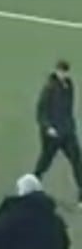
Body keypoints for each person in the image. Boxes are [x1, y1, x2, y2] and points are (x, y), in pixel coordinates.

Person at [34, 59, 82, 203]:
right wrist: (48, 127)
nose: (63, 74)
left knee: (77, 162)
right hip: (53, 135)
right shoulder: (49, 88)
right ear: (56, 71)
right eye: (61, 72)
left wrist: (70, 125)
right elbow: (41, 111)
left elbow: (68, 109)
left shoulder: (69, 86)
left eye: (65, 72)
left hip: (67, 132)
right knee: (44, 162)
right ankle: (31, 185)